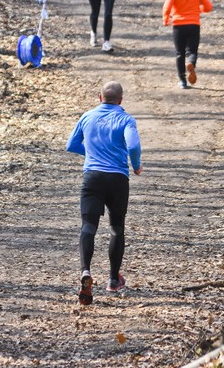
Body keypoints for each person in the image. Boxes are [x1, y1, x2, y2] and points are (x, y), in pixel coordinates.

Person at [66, 81, 142, 306]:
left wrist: (91, 153)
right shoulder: (126, 119)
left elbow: (71, 144)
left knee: (88, 227)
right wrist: (135, 165)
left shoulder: (87, 116)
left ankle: (85, 271)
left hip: (93, 179)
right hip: (118, 179)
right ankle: (112, 280)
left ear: (99, 97)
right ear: (121, 100)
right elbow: (134, 145)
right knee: (116, 229)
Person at [162, 0, 213, 89]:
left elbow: (167, 7)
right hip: (194, 25)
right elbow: (208, 6)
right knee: (192, 51)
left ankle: (182, 80)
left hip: (179, 25)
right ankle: (191, 62)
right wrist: (200, 9)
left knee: (180, 53)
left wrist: (166, 19)